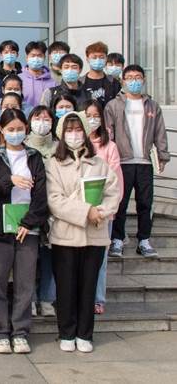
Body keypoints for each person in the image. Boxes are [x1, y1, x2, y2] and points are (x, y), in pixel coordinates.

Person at [46, 112, 120, 353]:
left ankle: (85, 333)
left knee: (88, 286)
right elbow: (54, 200)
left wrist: (101, 212)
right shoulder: (54, 164)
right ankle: (67, 332)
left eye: (78, 130)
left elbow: (113, 192)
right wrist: (86, 211)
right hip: (65, 235)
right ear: (61, 134)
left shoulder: (98, 163)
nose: (74, 135)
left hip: (94, 235)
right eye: (69, 130)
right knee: (66, 287)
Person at [0, 109, 48, 354]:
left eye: (19, 129)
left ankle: (20, 332)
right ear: (1, 130)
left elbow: (41, 195)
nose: (15, 133)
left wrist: (28, 223)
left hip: (28, 229)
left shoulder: (34, 157)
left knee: (24, 283)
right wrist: (11, 180)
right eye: (11, 129)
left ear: (26, 129)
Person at [105, 65, 170, 258]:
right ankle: (117, 240)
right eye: (130, 78)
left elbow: (160, 132)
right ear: (123, 81)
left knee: (145, 203)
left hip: (144, 162)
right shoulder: (113, 105)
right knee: (120, 202)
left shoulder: (152, 105)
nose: (134, 81)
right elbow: (108, 133)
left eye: (138, 77)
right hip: (121, 162)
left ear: (144, 80)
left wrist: (162, 155)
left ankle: (144, 240)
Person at [84, 100, 123, 315]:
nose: (92, 120)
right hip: (80, 211)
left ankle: (98, 298)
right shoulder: (77, 144)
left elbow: (116, 180)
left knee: (100, 259)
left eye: (95, 115)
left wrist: (109, 209)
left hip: (103, 211)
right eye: (88, 115)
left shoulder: (110, 146)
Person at [24, 105, 58, 318]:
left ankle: (47, 298)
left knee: (49, 257)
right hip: (28, 208)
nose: (42, 122)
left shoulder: (59, 148)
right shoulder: (23, 145)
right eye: (38, 118)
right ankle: (30, 299)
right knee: (28, 258)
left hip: (54, 209)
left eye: (46, 118)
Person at [80, 42, 121, 109]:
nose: (98, 60)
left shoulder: (114, 83)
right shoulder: (79, 83)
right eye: (94, 57)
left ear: (106, 59)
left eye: (101, 57)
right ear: (87, 59)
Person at [19, 41, 55, 109]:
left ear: (44, 57)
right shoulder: (18, 79)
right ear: (27, 58)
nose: (36, 58)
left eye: (39, 56)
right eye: (33, 55)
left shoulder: (53, 82)